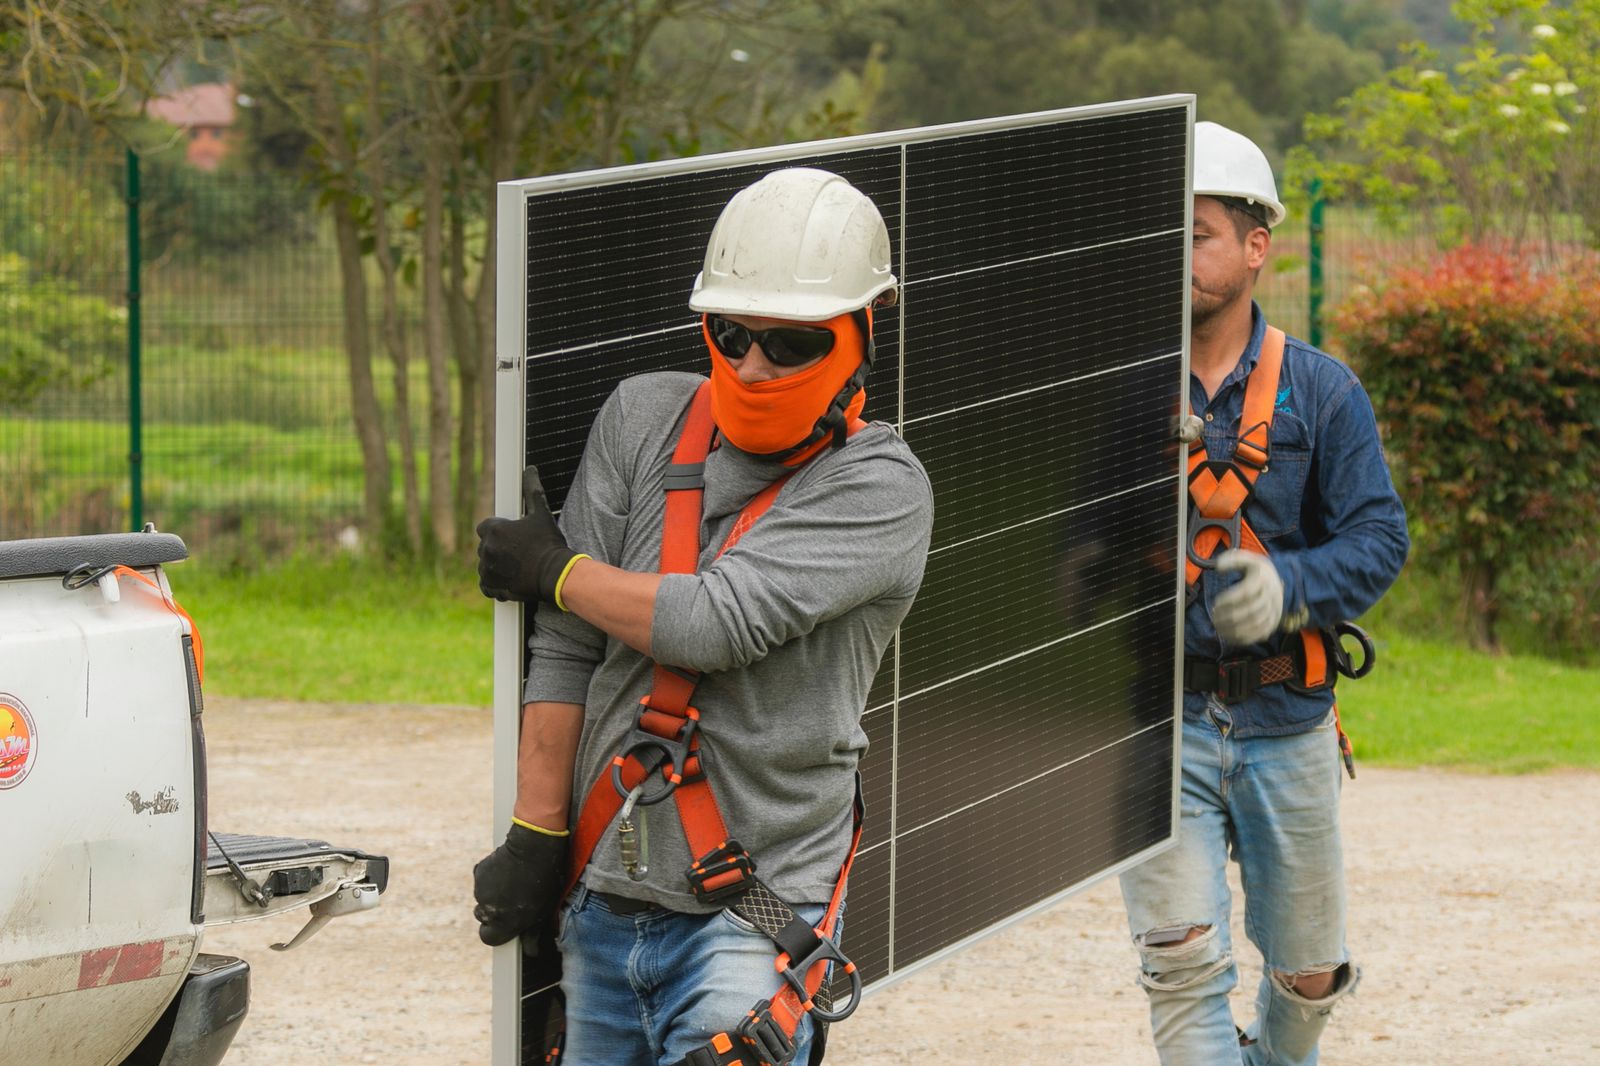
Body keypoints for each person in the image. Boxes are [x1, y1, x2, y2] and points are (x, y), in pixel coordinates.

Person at [472, 167, 933, 1066]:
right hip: (602, 900)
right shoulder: (644, 416)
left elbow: (714, 623)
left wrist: (556, 570)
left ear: (862, 332)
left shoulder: (882, 488)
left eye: (790, 344)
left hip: (751, 918)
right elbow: (566, 647)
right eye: (731, 334)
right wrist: (536, 832)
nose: (754, 364)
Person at [1117, 121, 1409, 1065]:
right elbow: (1072, 557)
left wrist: (1288, 585)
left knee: (1309, 975)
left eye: (1198, 233)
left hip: (1289, 720)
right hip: (1161, 726)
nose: (1179, 255)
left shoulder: (1324, 393)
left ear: (1255, 247)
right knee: (1182, 966)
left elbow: (1380, 539)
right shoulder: (1119, 399)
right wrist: (1123, 575)